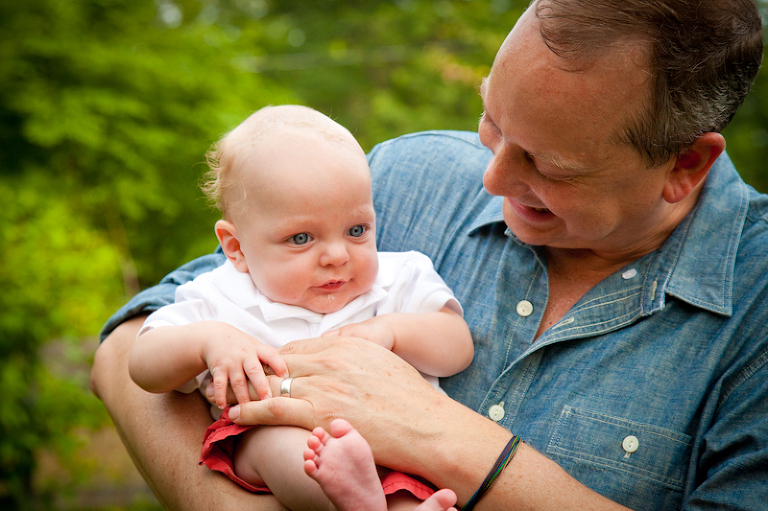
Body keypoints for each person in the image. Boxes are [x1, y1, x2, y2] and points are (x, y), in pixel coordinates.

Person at [91, 1, 768, 510]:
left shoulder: (755, 308)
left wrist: (448, 440)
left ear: (684, 165)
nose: (491, 179)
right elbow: (125, 347)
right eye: (491, 120)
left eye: (549, 165)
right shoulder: (405, 175)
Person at [127, 105, 471, 511]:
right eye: (302, 238)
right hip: (281, 439)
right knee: (275, 440)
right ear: (236, 248)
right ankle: (351, 498)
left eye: (356, 230)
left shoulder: (398, 278)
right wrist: (208, 342)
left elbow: (457, 347)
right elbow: (143, 365)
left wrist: (392, 332)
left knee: (411, 480)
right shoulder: (220, 295)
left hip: (398, 442)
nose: (337, 255)